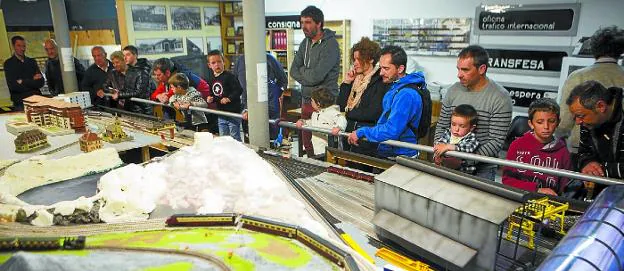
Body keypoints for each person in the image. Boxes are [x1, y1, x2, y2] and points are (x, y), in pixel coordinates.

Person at [433, 45, 512, 181]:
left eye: (465, 70)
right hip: (448, 163)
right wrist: (439, 152)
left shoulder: (500, 97)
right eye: (458, 69)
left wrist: (463, 160)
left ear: (482, 69)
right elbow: (441, 126)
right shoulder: (453, 91)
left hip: (482, 171)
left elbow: (495, 142)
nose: (459, 74)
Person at [347, 45, 427, 158]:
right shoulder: (395, 87)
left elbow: (391, 130)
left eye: (386, 68)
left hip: (401, 155)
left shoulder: (406, 95)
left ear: (400, 69)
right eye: (381, 67)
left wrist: (362, 132)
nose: (381, 73)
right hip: (389, 150)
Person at [557, 26, 624, 154]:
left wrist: (557, 136)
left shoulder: (578, 76)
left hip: (582, 151)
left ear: (594, 48)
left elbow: (564, 122)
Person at [290, 5, 340, 157]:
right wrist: (308, 76)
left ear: (319, 24)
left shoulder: (330, 44)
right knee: (307, 144)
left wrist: (304, 72)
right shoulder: (305, 43)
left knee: (323, 147)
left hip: (325, 105)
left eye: (308, 22)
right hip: (307, 101)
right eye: (302, 22)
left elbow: (316, 76)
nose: (303, 26)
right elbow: (293, 70)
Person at [502, 98, 571, 196]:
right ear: (531, 124)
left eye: (551, 121)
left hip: (549, 204)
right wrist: (536, 189)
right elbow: (507, 180)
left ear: (558, 122)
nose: (546, 126)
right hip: (520, 198)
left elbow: (565, 187)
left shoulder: (563, 151)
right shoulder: (517, 145)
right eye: (540, 122)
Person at [566, 81, 624, 196]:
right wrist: (587, 163)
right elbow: (584, 151)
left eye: (580, 116)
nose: (578, 122)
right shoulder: (587, 123)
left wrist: (601, 170)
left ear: (601, 106)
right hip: (603, 193)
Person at [337, 37, 390, 159]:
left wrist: (349, 113)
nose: (355, 63)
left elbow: (373, 113)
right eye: (354, 59)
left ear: (370, 59)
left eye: (359, 59)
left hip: (366, 140)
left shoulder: (380, 81)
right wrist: (346, 83)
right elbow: (340, 105)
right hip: (348, 135)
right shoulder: (355, 79)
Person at [234, 53, 288, 140]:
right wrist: (245, 107)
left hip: (269, 107)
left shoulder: (269, 59)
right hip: (247, 107)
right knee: (250, 139)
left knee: (271, 137)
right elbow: (236, 84)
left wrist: (274, 94)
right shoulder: (240, 61)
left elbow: (283, 80)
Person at [296, 87, 347, 157]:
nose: (311, 103)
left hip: (330, 151)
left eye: (312, 101)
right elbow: (314, 123)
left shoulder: (332, 112)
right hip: (318, 149)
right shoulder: (315, 114)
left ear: (318, 103)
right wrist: (303, 122)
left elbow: (342, 119)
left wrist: (339, 127)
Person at [206, 50, 243, 141]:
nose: (217, 65)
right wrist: (211, 98)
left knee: (234, 137)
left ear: (224, 62)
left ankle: (238, 153)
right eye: (213, 63)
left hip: (233, 113)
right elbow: (214, 94)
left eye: (219, 61)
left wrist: (229, 98)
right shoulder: (211, 79)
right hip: (221, 113)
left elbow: (239, 90)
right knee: (223, 138)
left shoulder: (230, 76)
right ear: (209, 65)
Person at [433, 104, 480, 175]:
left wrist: (450, 147)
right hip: (445, 169)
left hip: (463, 174)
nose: (456, 129)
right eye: (453, 124)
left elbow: (468, 147)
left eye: (462, 126)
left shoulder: (472, 137)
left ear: (471, 128)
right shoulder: (448, 132)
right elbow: (440, 144)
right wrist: (437, 156)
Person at [3, 35, 44, 110]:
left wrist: (23, 81)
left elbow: (41, 82)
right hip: (21, 103)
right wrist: (32, 81)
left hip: (37, 100)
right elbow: (14, 86)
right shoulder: (8, 64)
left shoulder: (32, 62)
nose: (22, 48)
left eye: (24, 46)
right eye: (19, 46)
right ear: (13, 46)